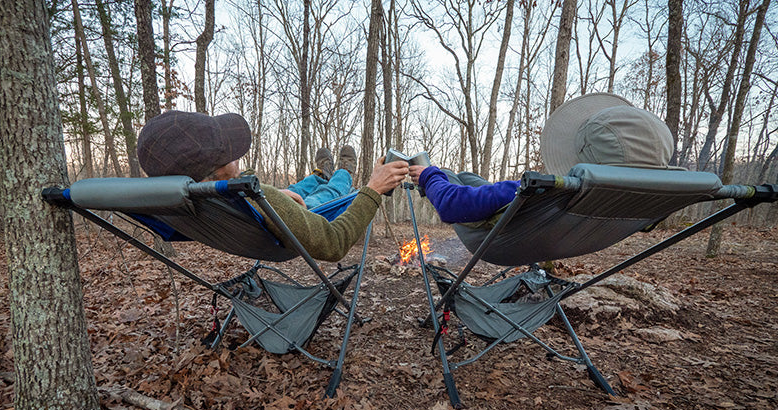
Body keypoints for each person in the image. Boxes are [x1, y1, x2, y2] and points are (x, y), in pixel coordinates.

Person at [136, 110, 408, 262]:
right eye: (231, 155)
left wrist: (274, 196)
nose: (238, 157)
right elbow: (333, 243)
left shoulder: (168, 201)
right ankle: (343, 174)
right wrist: (374, 189)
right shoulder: (249, 196)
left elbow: (260, 197)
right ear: (215, 171)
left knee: (298, 188)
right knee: (330, 194)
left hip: (258, 211)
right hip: (283, 225)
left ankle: (319, 174)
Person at [409, 92, 675, 227]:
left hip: (506, 241)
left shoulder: (539, 191)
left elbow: (451, 205)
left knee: (451, 178)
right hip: (567, 238)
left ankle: (443, 173)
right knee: (468, 179)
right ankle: (457, 176)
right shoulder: (636, 204)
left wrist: (428, 175)